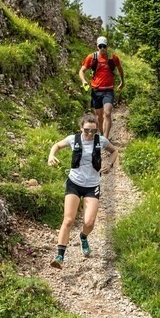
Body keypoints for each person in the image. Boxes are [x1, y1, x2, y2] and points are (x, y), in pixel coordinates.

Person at [46, 113, 118, 268]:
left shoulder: (101, 141)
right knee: (69, 220)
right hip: (74, 183)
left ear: (97, 130)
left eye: (93, 131)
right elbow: (56, 146)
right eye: (86, 130)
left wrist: (110, 165)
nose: (90, 134)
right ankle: (59, 256)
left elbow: (114, 151)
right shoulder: (73, 139)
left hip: (93, 185)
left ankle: (83, 237)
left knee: (89, 222)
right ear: (81, 128)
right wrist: (51, 155)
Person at [79, 35, 124, 139]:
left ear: (107, 46)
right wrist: (84, 81)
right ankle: (102, 134)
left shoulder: (113, 58)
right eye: (100, 46)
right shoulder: (92, 57)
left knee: (107, 113)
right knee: (99, 117)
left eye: (104, 46)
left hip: (108, 90)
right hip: (96, 91)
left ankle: (105, 139)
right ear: (97, 47)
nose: (102, 48)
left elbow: (120, 70)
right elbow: (81, 71)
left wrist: (122, 82)